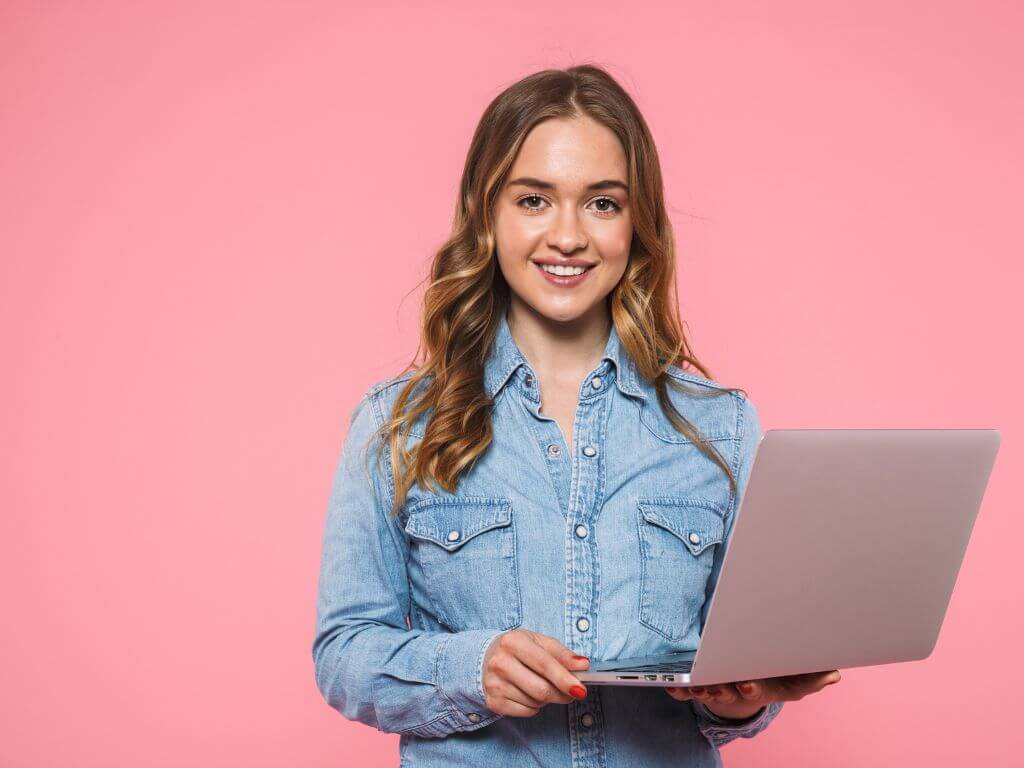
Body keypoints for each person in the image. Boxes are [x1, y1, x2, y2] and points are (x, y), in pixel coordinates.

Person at [312, 64, 840, 766]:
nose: (567, 236)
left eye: (602, 204)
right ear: (487, 212)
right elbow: (345, 651)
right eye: (534, 200)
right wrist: (474, 667)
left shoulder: (722, 429)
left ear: (637, 222)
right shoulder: (396, 424)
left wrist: (741, 695)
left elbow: (738, 669)